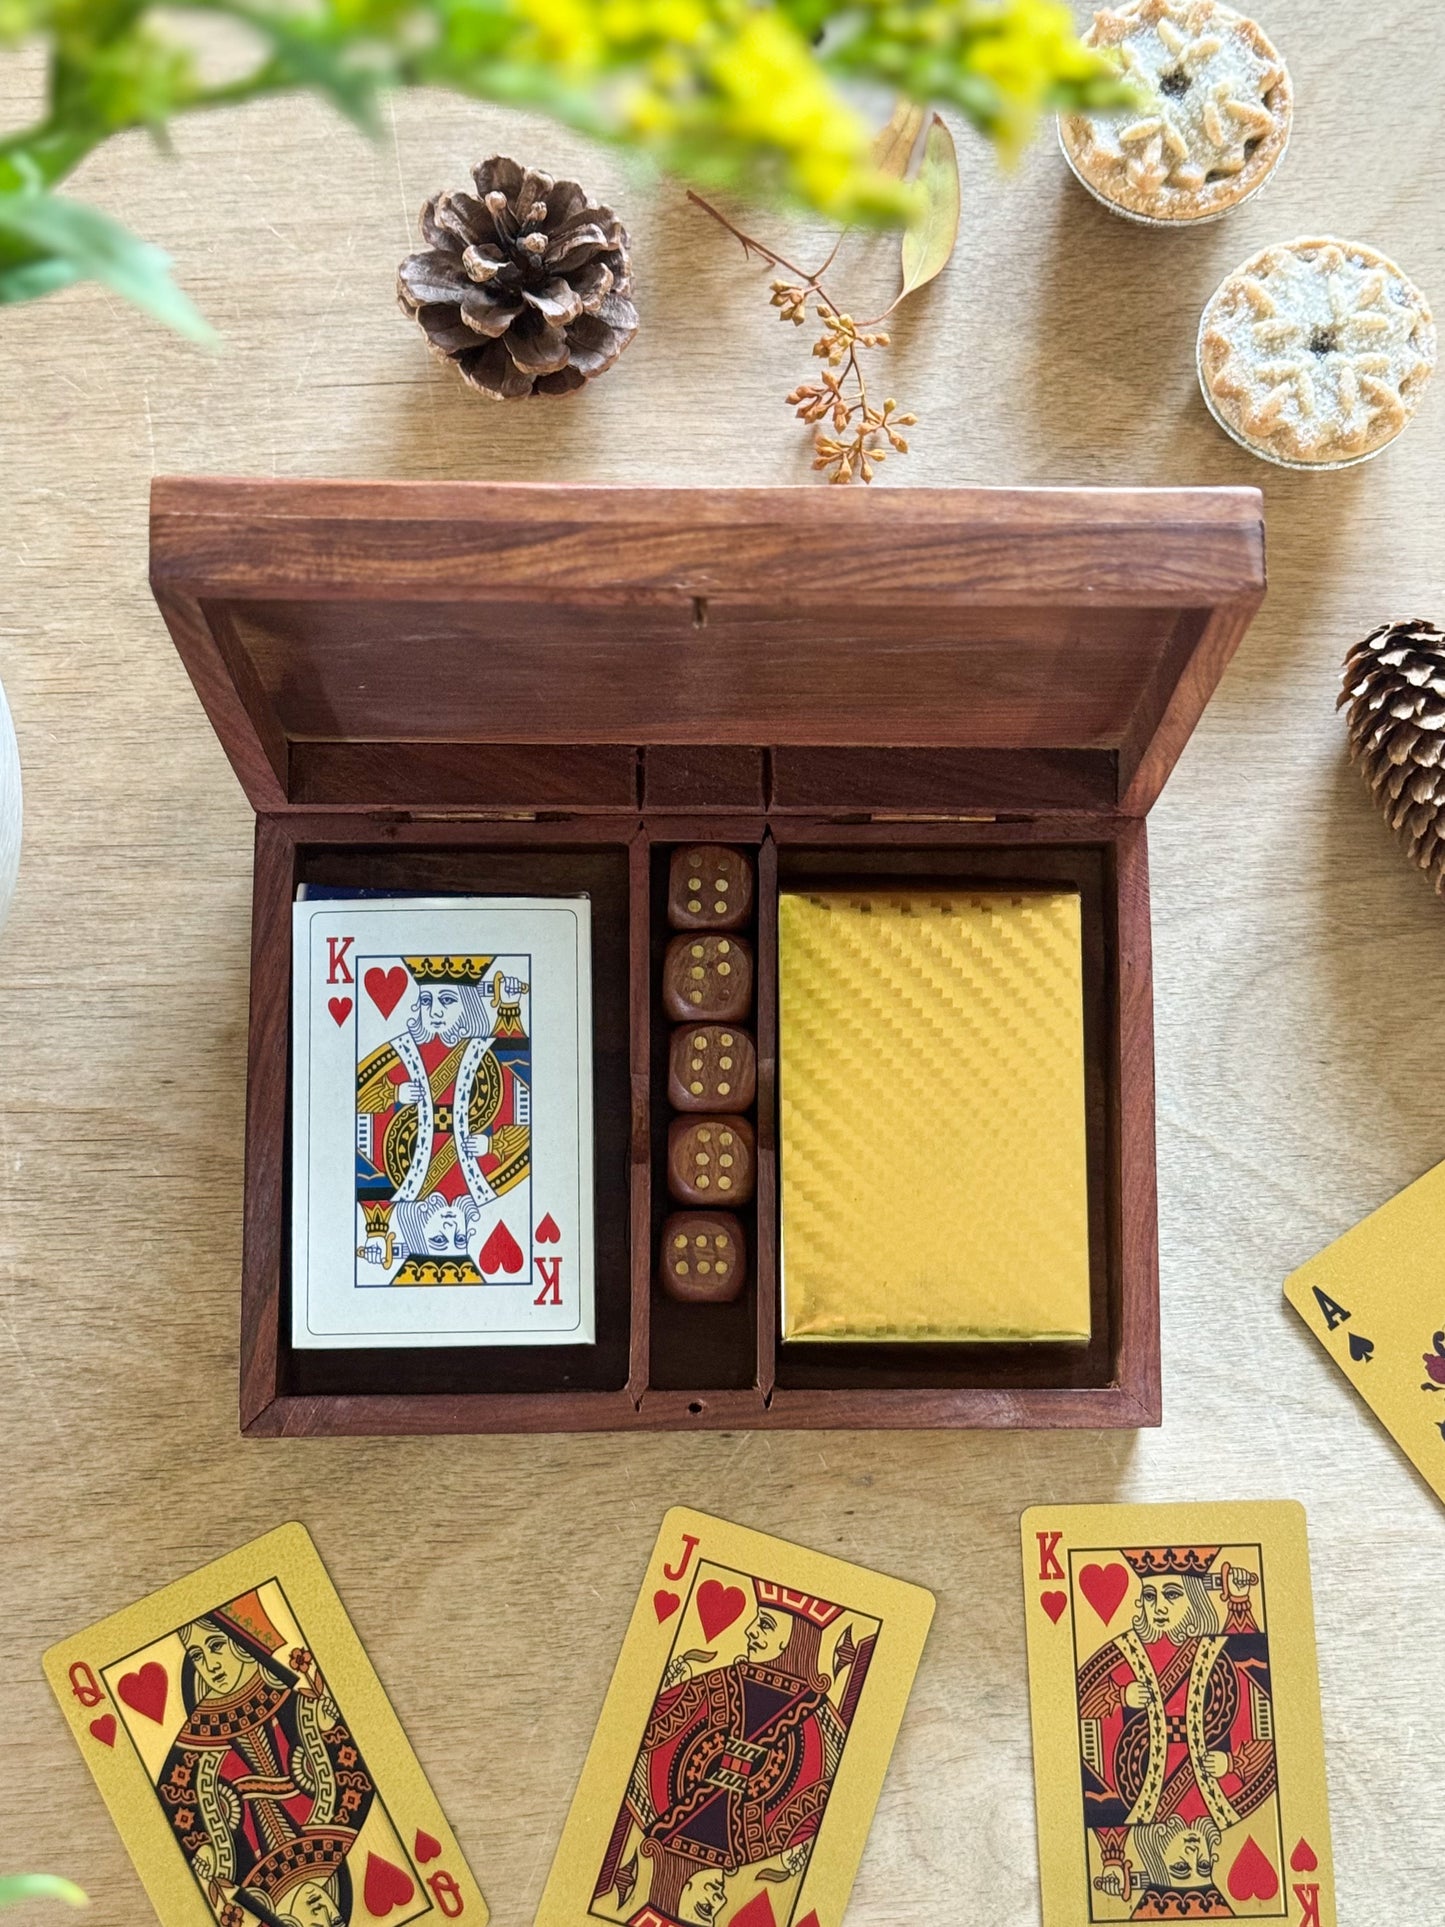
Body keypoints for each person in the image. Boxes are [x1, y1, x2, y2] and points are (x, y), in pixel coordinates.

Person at [155, 1591, 375, 1926]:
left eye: (215, 1646)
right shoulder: (333, 1844)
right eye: (198, 1655)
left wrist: (202, 1849)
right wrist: (332, 1729)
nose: (210, 1666)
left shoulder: (290, 1698)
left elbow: (174, 1804)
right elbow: (355, 1778)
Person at [1076, 1548, 1276, 1846]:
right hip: (1143, 1800)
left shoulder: (1219, 1651)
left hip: (1209, 1799)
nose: (1158, 1607)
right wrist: (1120, 1695)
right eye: (1150, 1596)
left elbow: (1262, 1688)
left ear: (1195, 1601)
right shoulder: (1124, 1654)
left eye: (1171, 1595)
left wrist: (1232, 1764)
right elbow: (1075, 1715)